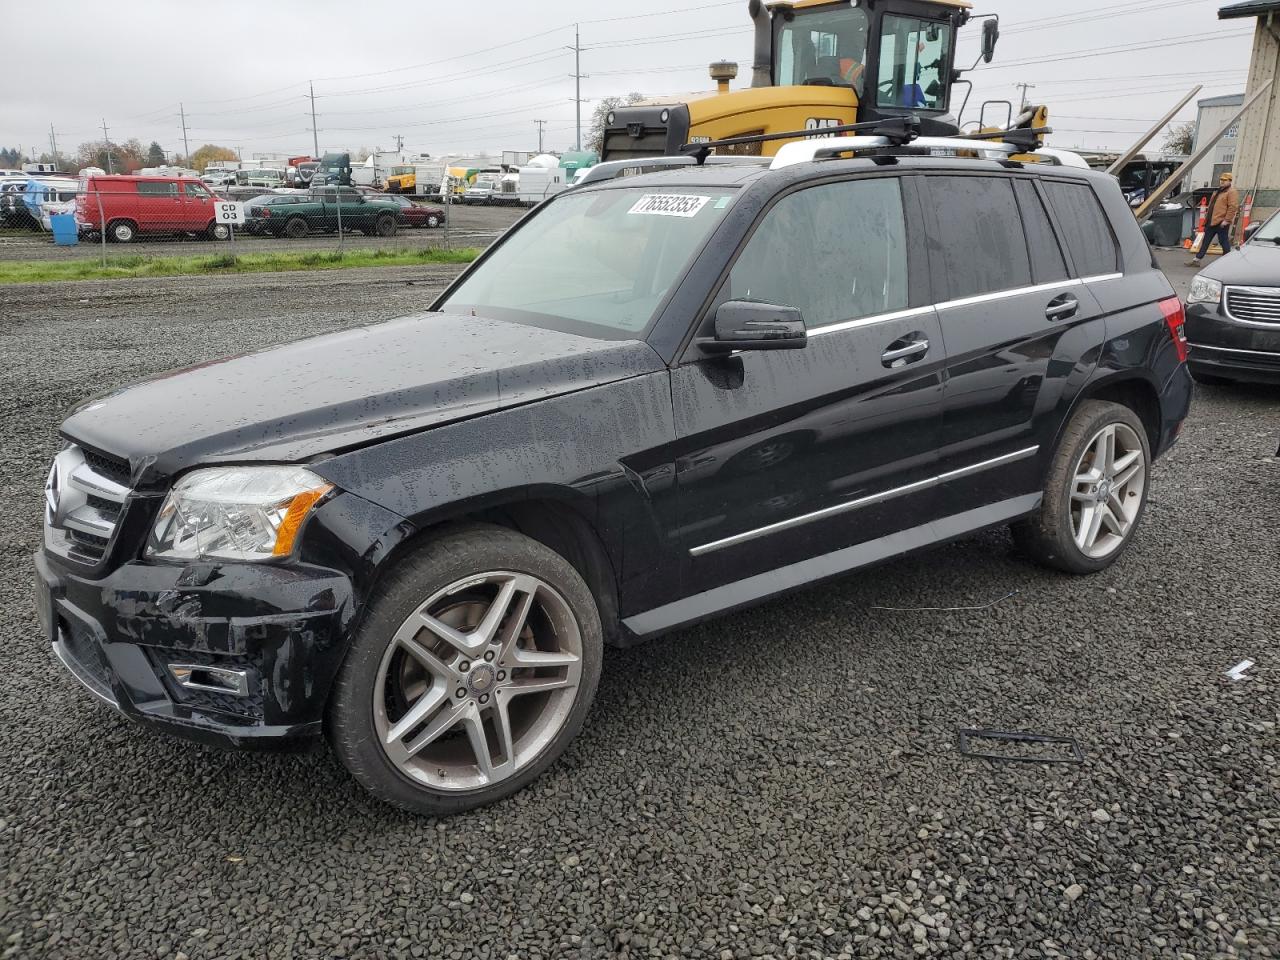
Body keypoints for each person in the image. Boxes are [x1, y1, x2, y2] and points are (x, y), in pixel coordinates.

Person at [1187, 172, 1239, 267]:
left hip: (1221, 222)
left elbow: (1233, 207)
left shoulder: (1231, 192)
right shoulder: (1218, 191)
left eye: (1225, 180)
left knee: (1223, 242)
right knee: (1206, 241)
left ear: (1230, 181)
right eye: (1221, 180)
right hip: (1212, 221)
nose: (1222, 181)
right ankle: (1197, 260)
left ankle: (1228, 261)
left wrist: (1226, 220)